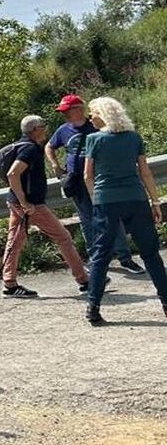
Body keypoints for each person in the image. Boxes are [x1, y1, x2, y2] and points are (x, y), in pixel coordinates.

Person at [83, 97, 167, 325]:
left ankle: (94, 307)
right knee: (150, 254)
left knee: (101, 255)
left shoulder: (93, 139)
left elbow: (87, 176)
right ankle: (166, 302)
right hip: (136, 198)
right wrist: (155, 202)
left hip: (106, 201)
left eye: (93, 113)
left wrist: (95, 198)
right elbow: (145, 172)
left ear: (102, 114)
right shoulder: (133, 138)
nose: (90, 118)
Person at [0, 115, 95, 298]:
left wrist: (20, 200)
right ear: (35, 130)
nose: (46, 129)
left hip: (16, 201)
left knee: (15, 241)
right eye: (43, 126)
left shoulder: (23, 145)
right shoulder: (31, 149)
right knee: (64, 237)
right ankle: (84, 280)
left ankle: (9, 284)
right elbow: (13, 174)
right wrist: (25, 203)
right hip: (31, 205)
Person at [47, 94, 143, 275]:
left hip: (100, 179)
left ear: (79, 109)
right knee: (86, 220)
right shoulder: (63, 130)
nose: (64, 114)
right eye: (63, 111)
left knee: (112, 217)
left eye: (68, 110)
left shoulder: (97, 125)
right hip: (76, 181)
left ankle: (125, 258)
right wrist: (54, 164)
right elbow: (49, 146)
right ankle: (96, 258)